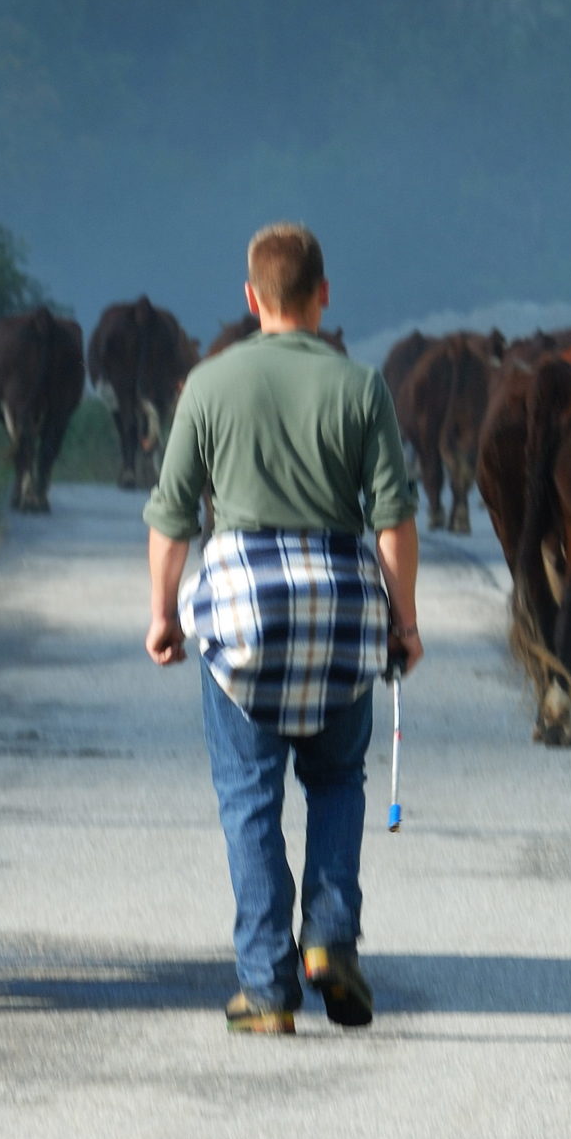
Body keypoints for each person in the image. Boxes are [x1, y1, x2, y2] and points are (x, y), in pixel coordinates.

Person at [142, 223, 422, 1034]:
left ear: (250, 298)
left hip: (244, 613)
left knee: (248, 796)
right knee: (337, 781)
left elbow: (171, 519)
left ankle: (266, 989)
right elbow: (394, 521)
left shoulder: (208, 384)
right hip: (339, 605)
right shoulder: (361, 386)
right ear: (324, 294)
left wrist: (164, 614)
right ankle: (331, 941)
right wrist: (405, 622)